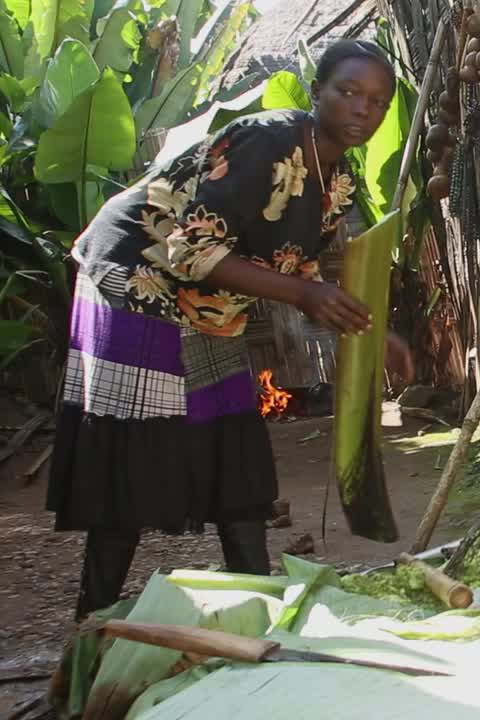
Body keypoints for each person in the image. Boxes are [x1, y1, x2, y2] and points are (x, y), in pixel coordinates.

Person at [47, 39, 414, 620]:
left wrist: (367, 331)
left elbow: (305, 267)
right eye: (347, 92)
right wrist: (306, 294)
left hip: (207, 300)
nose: (362, 110)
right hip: (136, 276)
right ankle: (93, 617)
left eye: (376, 100)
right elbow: (192, 249)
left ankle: (262, 607)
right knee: (134, 449)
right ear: (316, 91)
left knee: (233, 440)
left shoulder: (336, 180)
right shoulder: (265, 142)